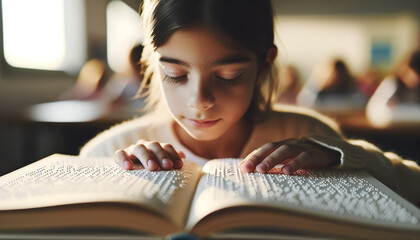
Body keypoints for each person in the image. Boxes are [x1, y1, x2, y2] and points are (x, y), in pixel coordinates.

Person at [80, 0, 420, 207]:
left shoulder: (309, 135)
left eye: (228, 76)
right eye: (175, 75)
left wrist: (348, 159)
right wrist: (112, 177)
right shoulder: (113, 150)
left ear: (264, 65)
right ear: (153, 65)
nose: (199, 102)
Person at [366, 49, 420, 127]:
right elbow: (374, 112)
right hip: (393, 132)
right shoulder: (392, 84)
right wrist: (390, 111)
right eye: (413, 72)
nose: (415, 77)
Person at [297, 58, 367, 113]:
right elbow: (305, 102)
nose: (335, 77)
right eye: (331, 73)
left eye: (338, 73)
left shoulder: (354, 95)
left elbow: (361, 103)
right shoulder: (318, 93)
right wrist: (318, 82)